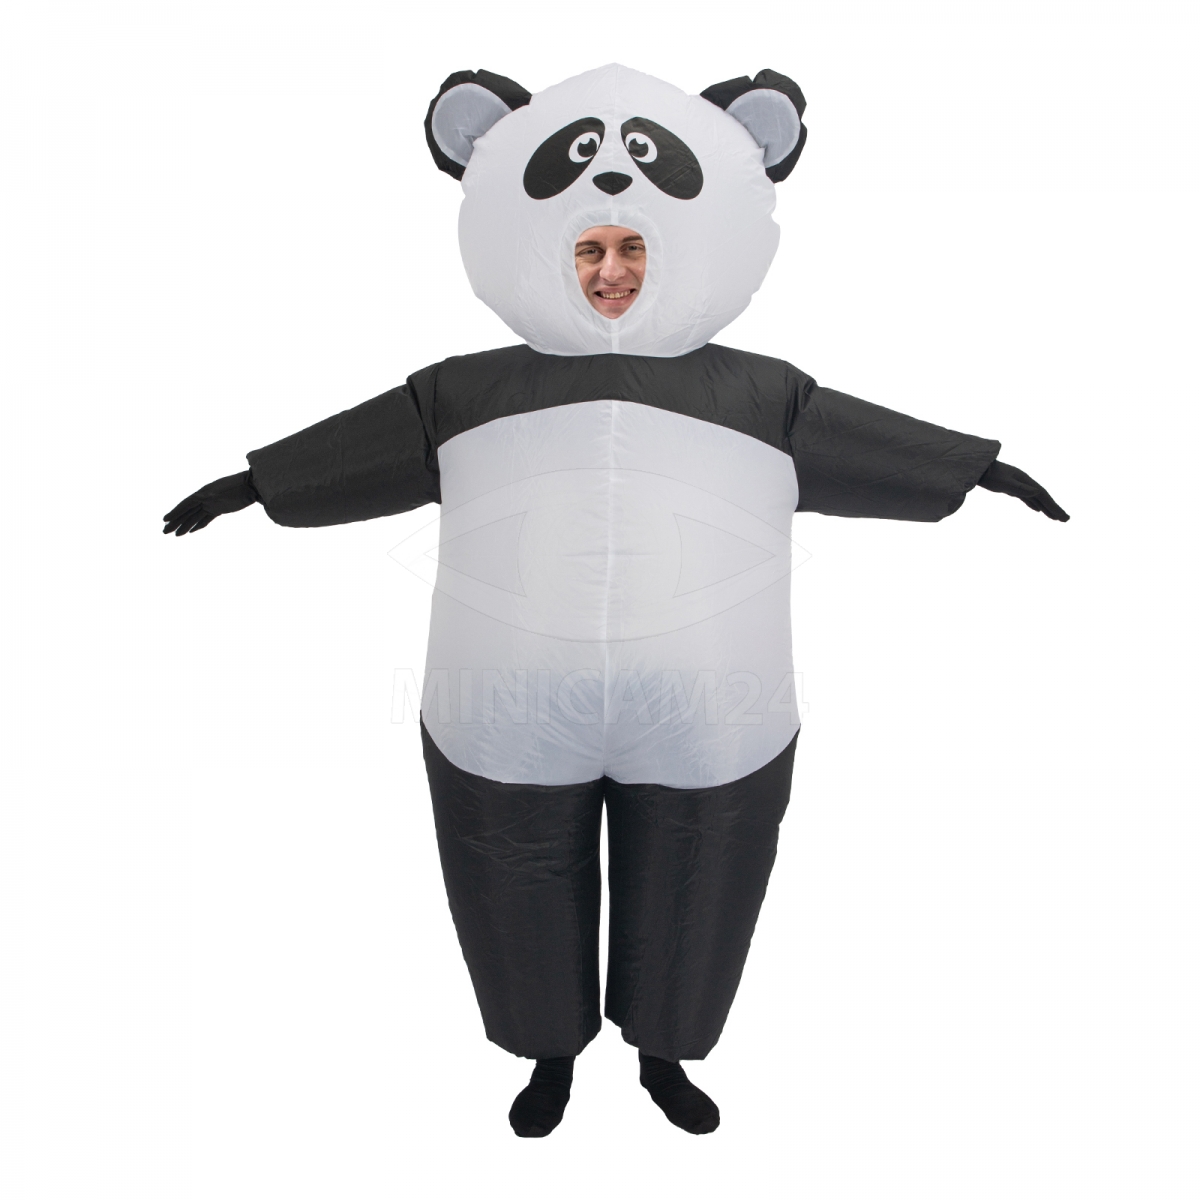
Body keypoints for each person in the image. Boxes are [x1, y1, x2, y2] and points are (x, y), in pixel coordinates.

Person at [164, 64, 1068, 1140]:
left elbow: (872, 443)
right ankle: (548, 1054)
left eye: (635, 246)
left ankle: (663, 1055)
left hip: (712, 721)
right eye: (588, 248)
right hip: (505, 714)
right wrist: (253, 487)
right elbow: (358, 451)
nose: (610, 271)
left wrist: (977, 470)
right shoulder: (464, 391)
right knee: (509, 881)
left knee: (703, 881)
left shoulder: (763, 393)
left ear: (682, 248)